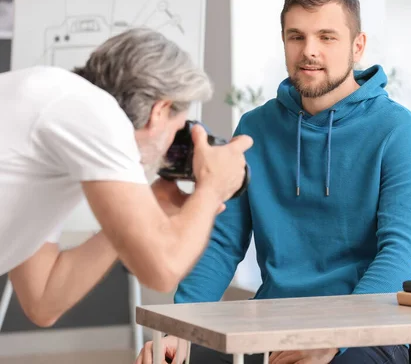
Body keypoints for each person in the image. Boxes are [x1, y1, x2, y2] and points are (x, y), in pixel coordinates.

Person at [138, 0, 411, 364]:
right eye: (297, 37)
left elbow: (400, 253)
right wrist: (179, 328)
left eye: (327, 37)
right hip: (270, 323)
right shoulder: (255, 129)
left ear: (357, 46)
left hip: (365, 331)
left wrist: (336, 337)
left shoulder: (399, 132)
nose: (309, 51)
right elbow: (223, 243)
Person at [0, 28, 252, 328]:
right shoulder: (95, 114)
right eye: (177, 129)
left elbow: (43, 300)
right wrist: (211, 188)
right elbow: (163, 269)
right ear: (160, 110)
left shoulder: (54, 106)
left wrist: (130, 226)